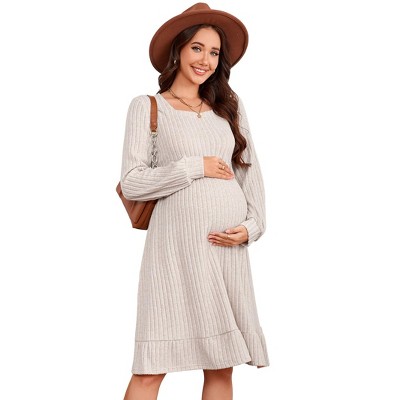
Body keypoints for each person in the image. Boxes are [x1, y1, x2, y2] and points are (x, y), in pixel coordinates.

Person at [119, 3, 270, 400]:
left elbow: (249, 173)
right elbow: (132, 183)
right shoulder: (148, 107)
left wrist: (251, 228)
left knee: (221, 366)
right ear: (178, 50)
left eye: (214, 52)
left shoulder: (229, 107)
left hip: (226, 252)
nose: (206, 60)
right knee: (151, 368)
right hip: (174, 253)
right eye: (197, 48)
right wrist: (193, 167)